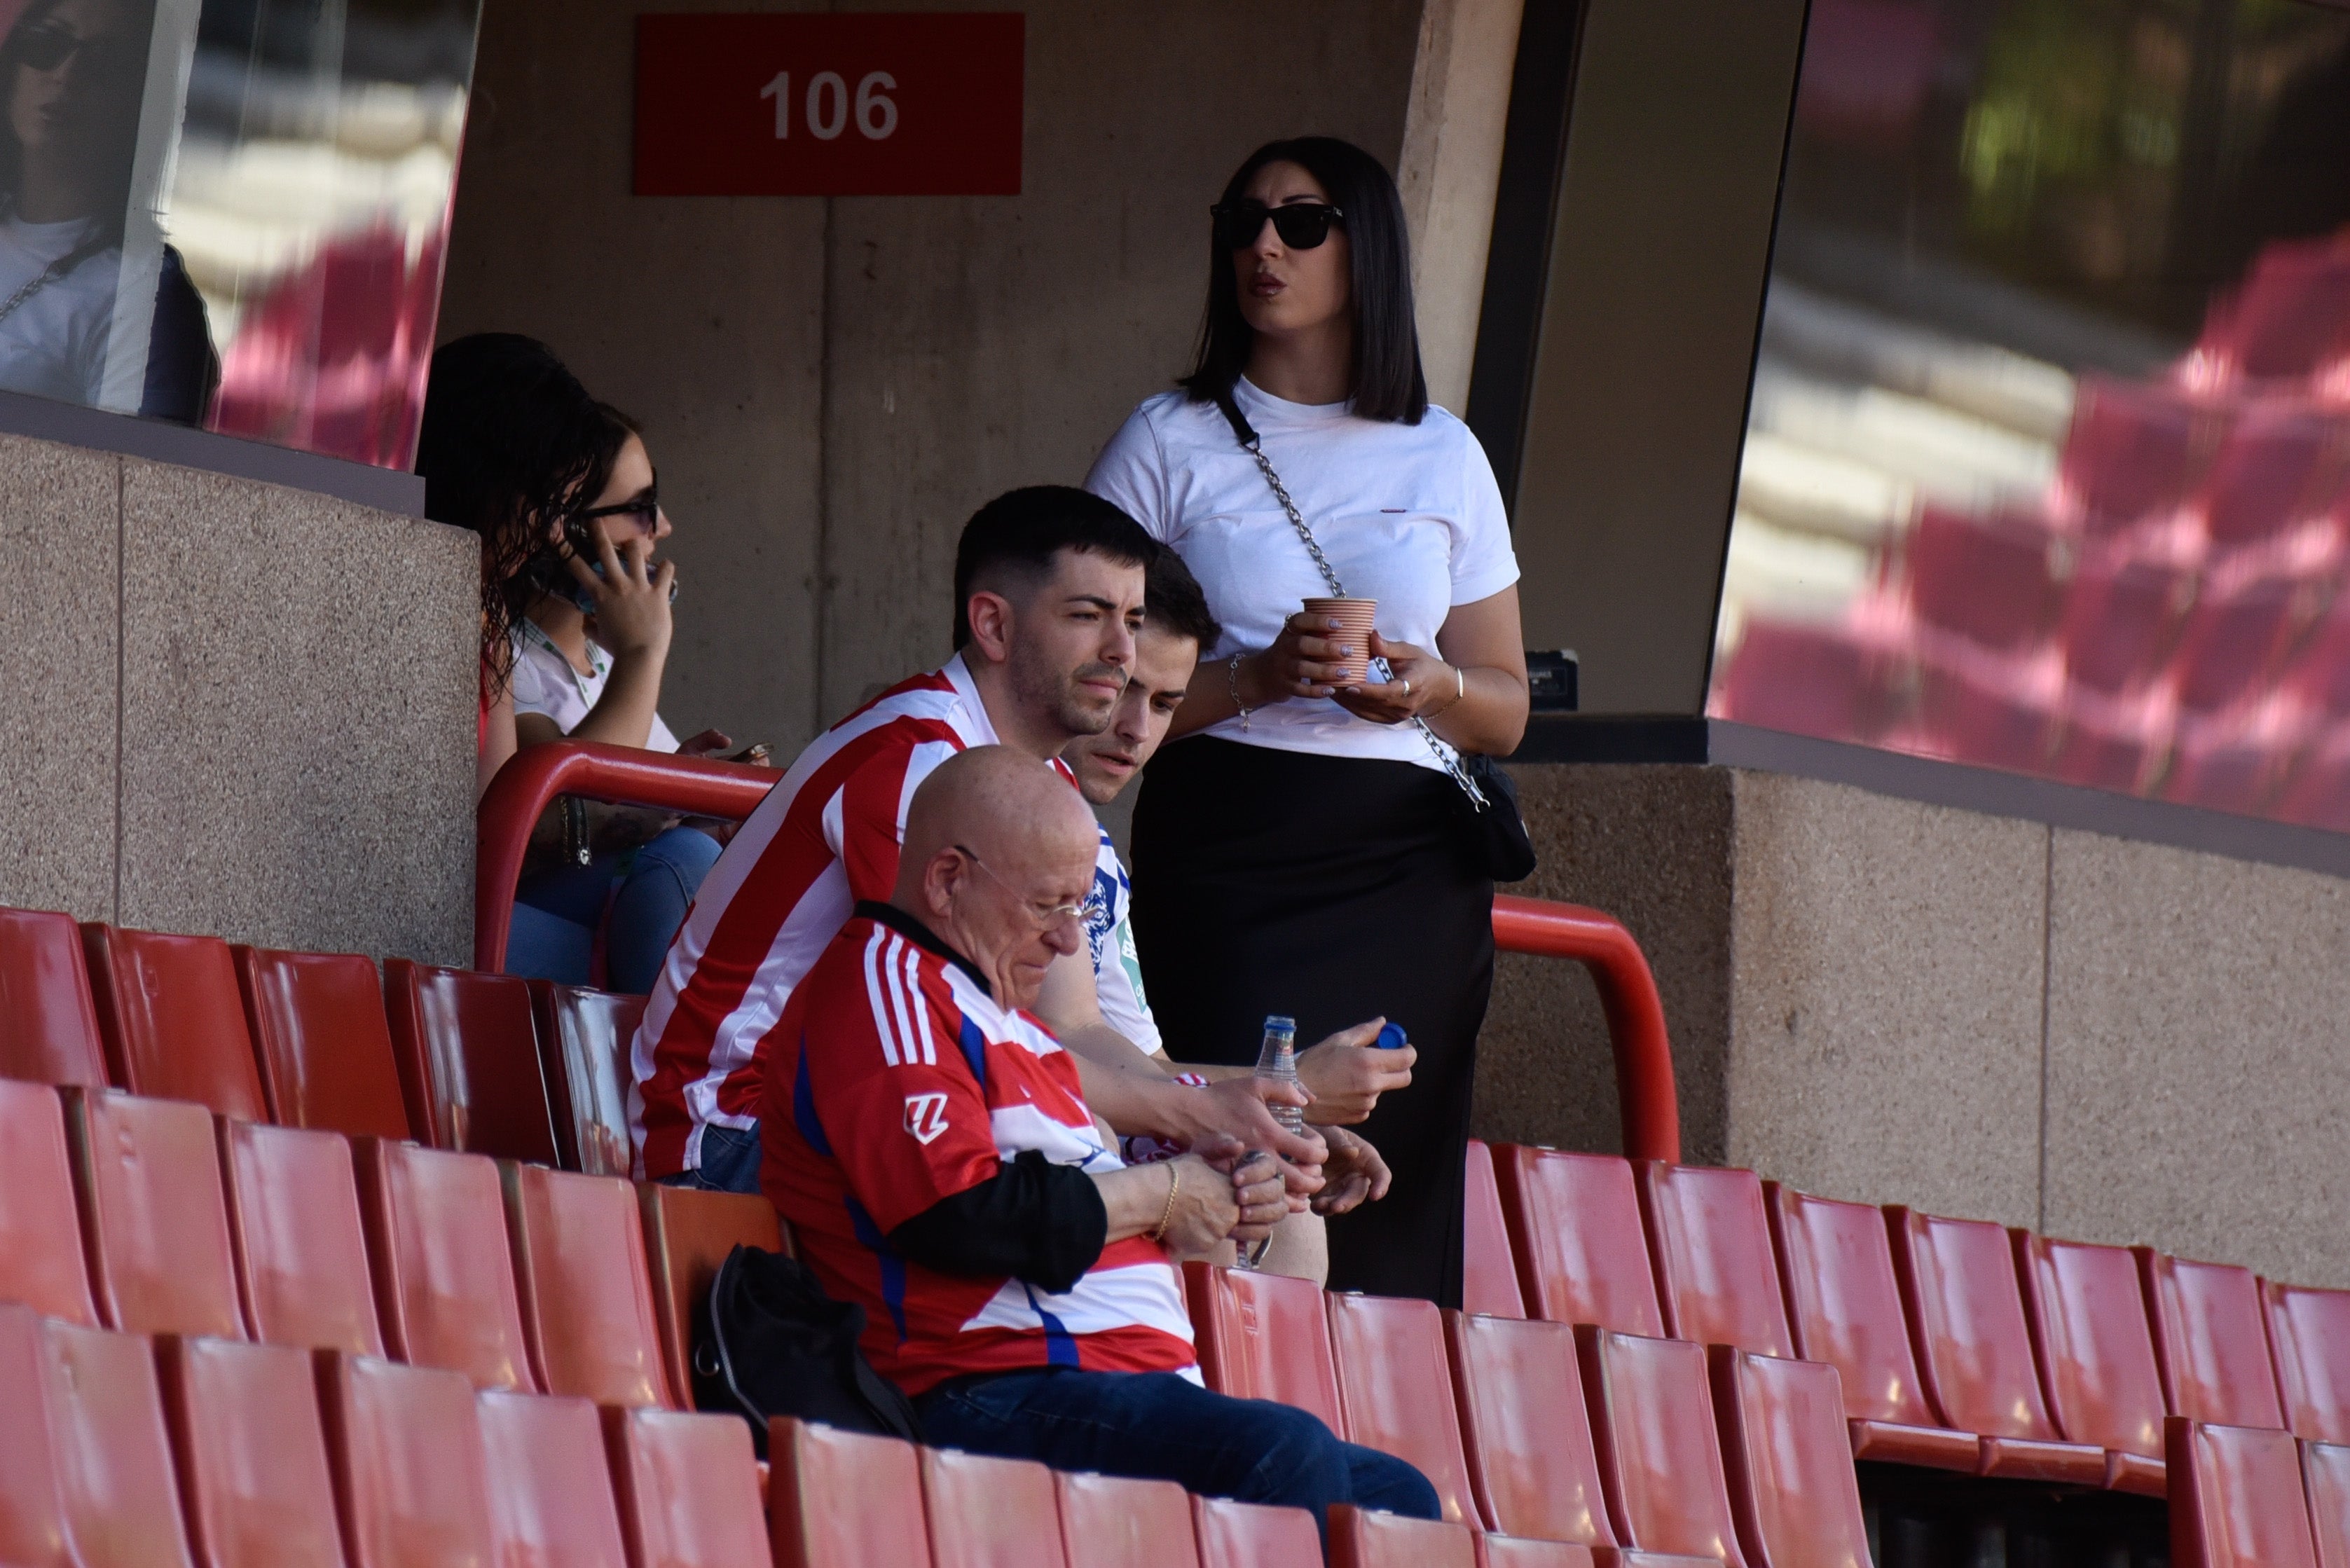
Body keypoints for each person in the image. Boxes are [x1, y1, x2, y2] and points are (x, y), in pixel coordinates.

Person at [762, 745, 1440, 1534]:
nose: (1064, 946)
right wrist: (1164, 1195)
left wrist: (1236, 1166)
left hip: (1114, 1386)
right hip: (989, 1386)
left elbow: (1128, 1161)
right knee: (1279, 1456)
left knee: (1399, 1504)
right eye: (1049, 907)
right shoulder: (886, 987)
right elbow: (963, 1214)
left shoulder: (1003, 1019)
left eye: (1079, 916)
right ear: (948, 880)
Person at [1085, 136, 1531, 1307]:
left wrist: (1426, 687)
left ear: (1366, 244)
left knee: (1389, 1179)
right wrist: (1255, 677)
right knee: (1249, 1154)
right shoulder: (1167, 438)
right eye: (1241, 223)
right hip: (1232, 840)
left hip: (1407, 860)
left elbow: (1505, 703)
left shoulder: (1443, 451)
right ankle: (1239, 1415)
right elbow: (1079, 691)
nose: (1261, 248)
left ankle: (1378, 1451)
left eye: (1298, 222)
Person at [633, 486, 1331, 1197]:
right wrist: (1193, 1114)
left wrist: (1248, 1127)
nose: (1122, 651)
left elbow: (1073, 1026)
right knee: (1104, 1174)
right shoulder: (916, 757)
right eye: (1088, 617)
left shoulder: (1041, 782)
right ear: (993, 626)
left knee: (1263, 1204)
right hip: (727, 1134)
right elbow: (977, 1033)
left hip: (854, 1113)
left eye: (1133, 619)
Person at [1040, 546, 1409, 1281]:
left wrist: (1269, 1107)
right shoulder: (997, 801)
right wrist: (1289, 1086)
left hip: (1081, 1123)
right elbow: (1053, 1042)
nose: (1136, 729)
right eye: (1123, 689)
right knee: (1223, 1189)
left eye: (1168, 704)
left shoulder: (1094, 845)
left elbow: (1145, 1064)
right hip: (986, 1134)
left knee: (1283, 1193)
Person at [418, 333, 748, 991]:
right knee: (682, 876)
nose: (545, 528)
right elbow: (519, 821)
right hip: (421, 921)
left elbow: (499, 818)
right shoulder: (483, 626)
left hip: (475, 908)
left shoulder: (482, 623)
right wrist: (645, 652)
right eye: (638, 510)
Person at [0, 0, 214, 421]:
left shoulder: (144, 294)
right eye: (49, 42)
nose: (65, 75)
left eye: (104, 63)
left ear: (139, 100)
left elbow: (137, 478)